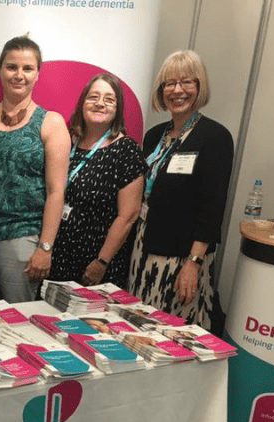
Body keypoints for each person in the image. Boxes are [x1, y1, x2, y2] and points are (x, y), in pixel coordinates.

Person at [128, 50, 233, 331]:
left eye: (186, 82)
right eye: (169, 84)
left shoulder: (214, 137)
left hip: (180, 258)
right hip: (143, 248)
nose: (177, 90)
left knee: (172, 333)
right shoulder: (154, 136)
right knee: (141, 330)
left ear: (199, 87)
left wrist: (193, 263)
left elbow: (212, 209)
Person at [0, 36, 71, 303]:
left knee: (18, 322)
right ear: (0, 70)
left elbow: (56, 191)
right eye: (11, 67)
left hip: (23, 239)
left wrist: (45, 247)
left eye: (27, 68)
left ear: (37, 73)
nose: (19, 75)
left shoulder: (50, 123)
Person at [48, 73, 147, 288]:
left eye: (109, 99)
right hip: (57, 256)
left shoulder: (126, 150)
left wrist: (101, 262)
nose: (100, 104)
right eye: (93, 97)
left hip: (96, 263)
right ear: (82, 103)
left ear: (117, 109)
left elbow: (128, 215)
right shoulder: (67, 140)